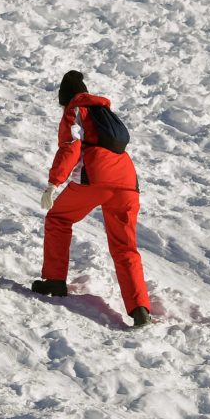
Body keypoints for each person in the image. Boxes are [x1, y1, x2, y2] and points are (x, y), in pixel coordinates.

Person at [34, 70, 152, 328]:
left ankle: (54, 281)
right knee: (125, 247)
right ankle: (140, 308)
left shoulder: (75, 111)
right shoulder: (104, 112)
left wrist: (54, 183)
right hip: (127, 182)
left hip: (96, 177)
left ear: (65, 98)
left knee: (58, 218)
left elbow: (71, 147)